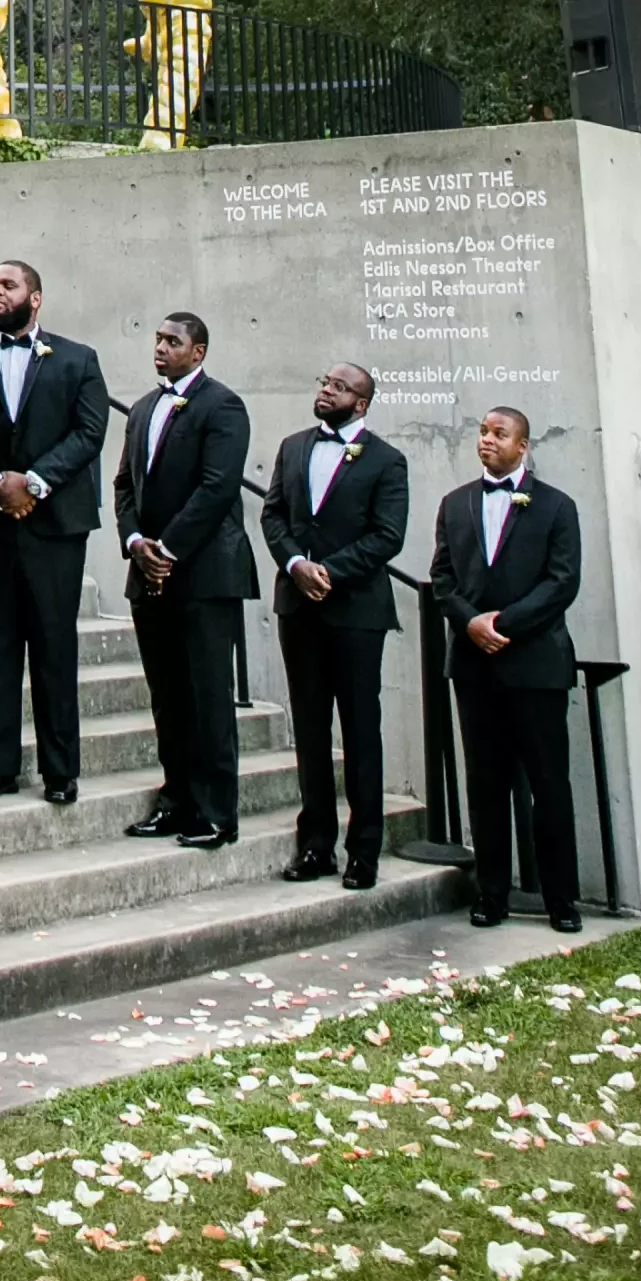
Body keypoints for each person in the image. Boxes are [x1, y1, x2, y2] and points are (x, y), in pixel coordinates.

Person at [429, 404, 583, 934]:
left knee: (549, 783)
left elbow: (562, 582)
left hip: (536, 666)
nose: (487, 440)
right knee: (486, 783)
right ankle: (492, 893)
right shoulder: (455, 504)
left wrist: (506, 624)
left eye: (500, 433)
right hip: (474, 669)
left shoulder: (557, 507)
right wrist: (471, 623)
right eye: (483, 431)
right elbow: (442, 578)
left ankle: (561, 897)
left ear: (524, 446)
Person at [258, 362, 409, 892]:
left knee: (360, 730)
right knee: (310, 729)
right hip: (299, 608)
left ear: (361, 404)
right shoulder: (294, 446)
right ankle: (315, 844)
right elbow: (272, 514)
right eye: (323, 381)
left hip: (356, 613)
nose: (326, 389)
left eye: (339, 387)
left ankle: (363, 850)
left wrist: (332, 572)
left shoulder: (388, 461)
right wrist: (296, 564)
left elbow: (388, 535)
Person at [114, 311, 259, 851]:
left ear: (197, 352)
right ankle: (176, 801)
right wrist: (136, 543)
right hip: (149, 571)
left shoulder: (223, 406)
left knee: (208, 696)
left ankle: (217, 812)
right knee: (166, 695)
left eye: (173, 342)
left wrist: (168, 548)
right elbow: (125, 484)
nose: (161, 348)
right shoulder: (144, 407)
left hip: (203, 573)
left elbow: (218, 488)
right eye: (157, 339)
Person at [0, 258, 109, 806]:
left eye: (9, 285)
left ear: (36, 297)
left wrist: (34, 481)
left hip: (54, 528)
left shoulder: (78, 359)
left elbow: (90, 432)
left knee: (54, 647)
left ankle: (60, 770)